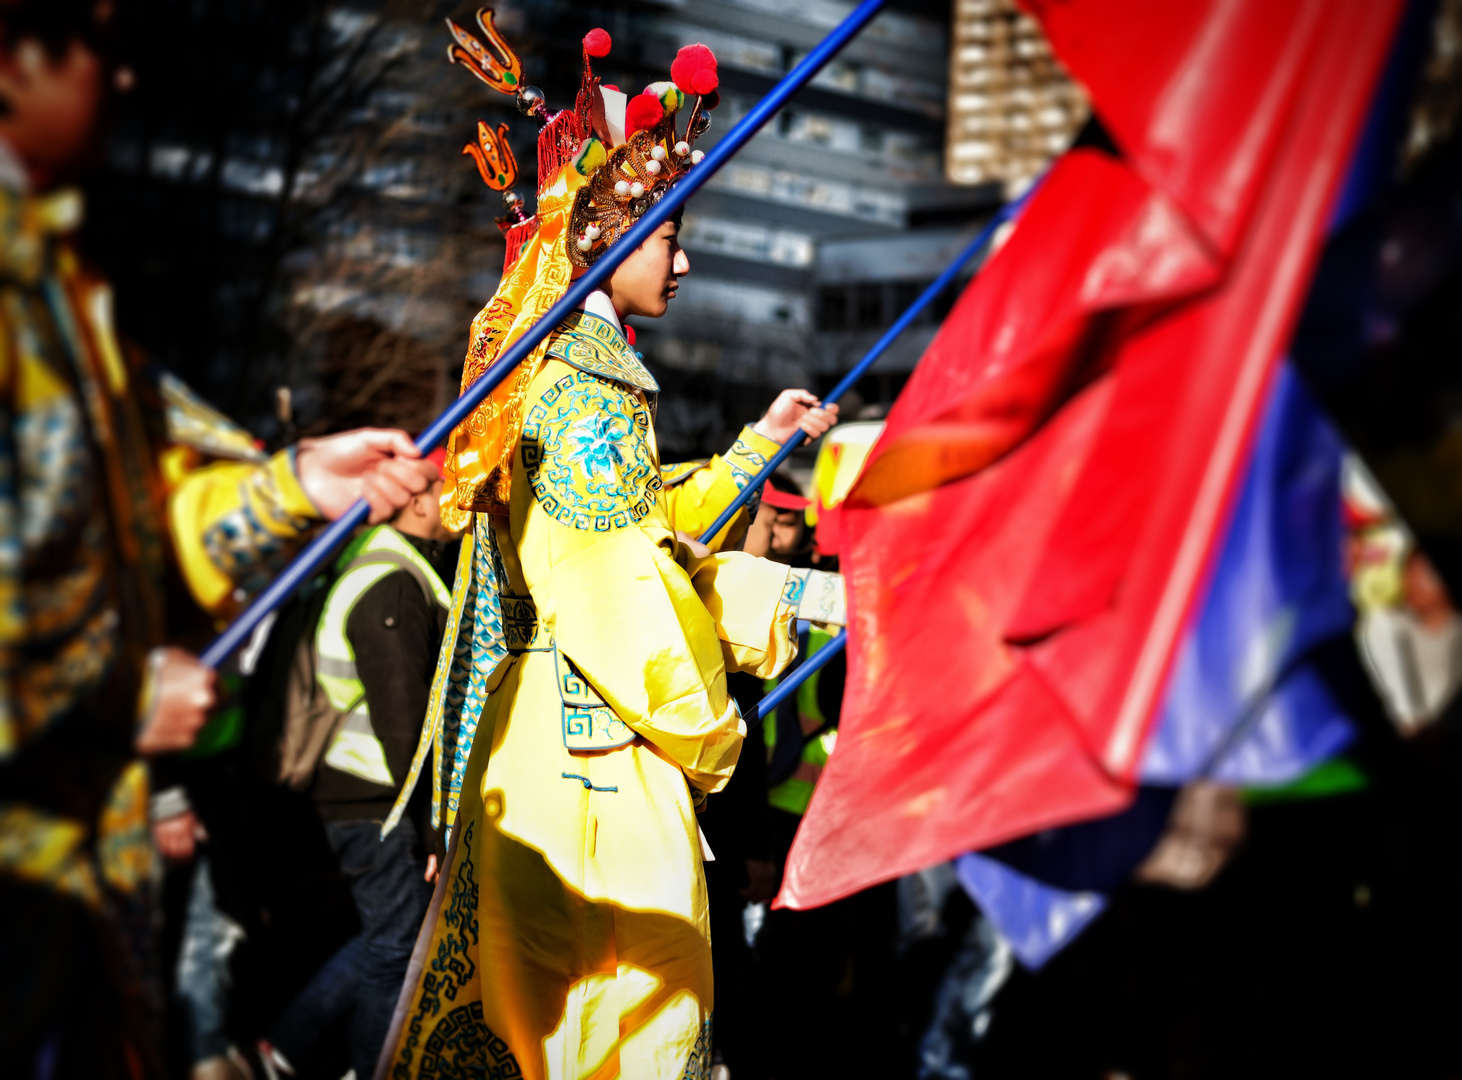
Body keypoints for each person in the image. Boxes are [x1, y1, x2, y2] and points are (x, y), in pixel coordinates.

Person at [379, 19, 843, 1078]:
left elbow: (650, 535)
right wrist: (712, 726)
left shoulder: (581, 381)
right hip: (597, 751)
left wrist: (759, 453)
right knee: (627, 1017)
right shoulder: (584, 394)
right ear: (613, 242)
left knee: (564, 1020)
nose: (686, 258)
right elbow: (624, 589)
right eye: (671, 236)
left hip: (558, 742)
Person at [0, 5, 438, 1073]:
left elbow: (139, 532)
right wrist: (108, 698)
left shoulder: (60, 288)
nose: (126, 82)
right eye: (97, 41)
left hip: (82, 906)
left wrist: (292, 483)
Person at [256, 450, 459, 1079]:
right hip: (376, 797)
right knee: (395, 951)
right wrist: (434, 827)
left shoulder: (391, 569)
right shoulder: (394, 581)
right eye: (450, 487)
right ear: (420, 498)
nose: (460, 503)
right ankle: (350, 1065)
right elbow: (405, 725)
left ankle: (284, 1048)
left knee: (385, 939)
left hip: (372, 794)